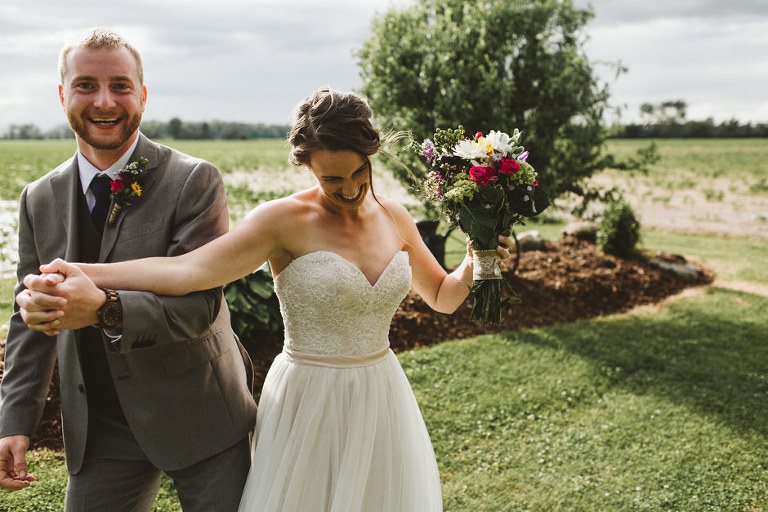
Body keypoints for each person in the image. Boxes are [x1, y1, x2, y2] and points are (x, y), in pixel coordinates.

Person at [22, 88, 512, 511]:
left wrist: (476, 259)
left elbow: (443, 296)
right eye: (331, 179)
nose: (349, 190)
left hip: (380, 395)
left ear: (371, 154)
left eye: (358, 172)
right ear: (306, 166)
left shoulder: (396, 217)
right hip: (308, 399)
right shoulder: (281, 221)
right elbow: (188, 271)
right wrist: (86, 272)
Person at [1, 28, 257, 511]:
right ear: (63, 95)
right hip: (100, 425)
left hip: (200, 410)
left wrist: (104, 308)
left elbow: (200, 307)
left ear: (142, 94)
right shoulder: (38, 198)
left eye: (120, 85)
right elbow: (27, 314)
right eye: (86, 85)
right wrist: (14, 421)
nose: (104, 101)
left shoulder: (194, 180)